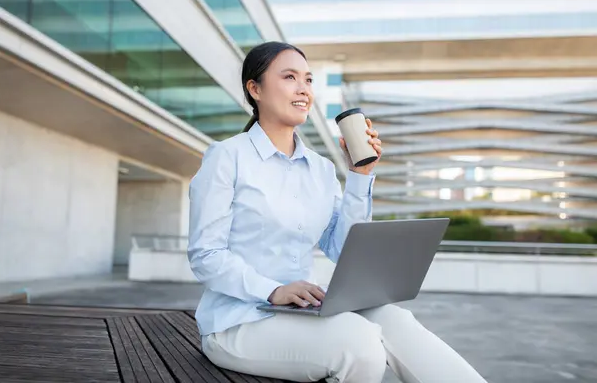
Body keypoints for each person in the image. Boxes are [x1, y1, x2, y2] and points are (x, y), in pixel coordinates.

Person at [187, 41, 486, 383]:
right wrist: (272, 290)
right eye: (289, 77)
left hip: (301, 312)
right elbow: (205, 255)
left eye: (309, 80)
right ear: (254, 89)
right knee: (358, 344)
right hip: (237, 323)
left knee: (396, 321)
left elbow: (341, 249)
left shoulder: (321, 169)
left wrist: (359, 176)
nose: (303, 89)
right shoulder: (226, 157)